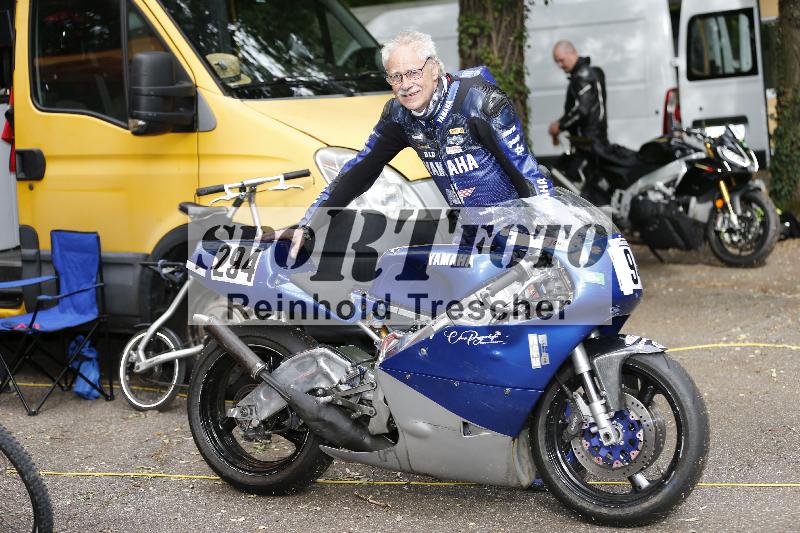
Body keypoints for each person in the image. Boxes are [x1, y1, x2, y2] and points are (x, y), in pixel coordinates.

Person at [277, 30, 552, 257]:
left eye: (413, 73)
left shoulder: (480, 101)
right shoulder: (398, 115)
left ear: (433, 69)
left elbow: (527, 171)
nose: (405, 85)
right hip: (469, 235)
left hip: (521, 230)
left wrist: (552, 230)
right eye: (395, 77)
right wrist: (309, 225)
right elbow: (359, 171)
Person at [547, 40, 607, 147]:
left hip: (591, 144)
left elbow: (582, 110)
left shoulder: (583, 75)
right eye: (557, 62)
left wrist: (560, 125)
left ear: (573, 53)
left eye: (561, 60)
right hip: (588, 142)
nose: (560, 65)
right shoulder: (583, 74)